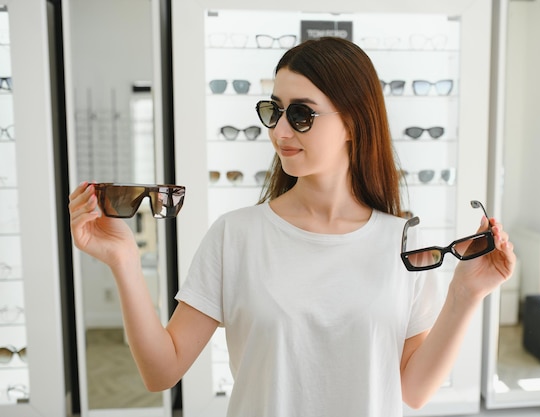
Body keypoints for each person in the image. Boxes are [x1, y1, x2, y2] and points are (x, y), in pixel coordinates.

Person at [68, 37, 516, 417]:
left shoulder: (403, 243)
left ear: (353, 124)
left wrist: (465, 295)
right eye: (274, 110)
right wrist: (123, 260)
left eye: (301, 114)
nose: (280, 130)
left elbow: (413, 391)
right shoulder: (236, 236)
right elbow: (161, 371)